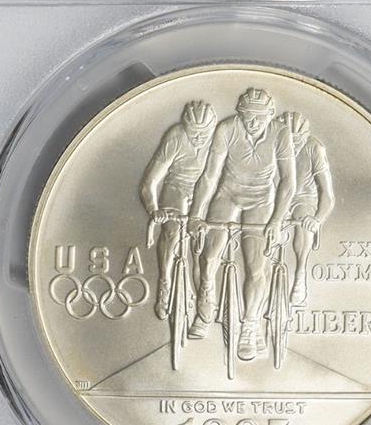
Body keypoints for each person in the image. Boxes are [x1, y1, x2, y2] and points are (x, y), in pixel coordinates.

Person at [188, 88, 296, 360]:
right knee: (208, 256)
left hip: (261, 200)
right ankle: (206, 297)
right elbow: (209, 176)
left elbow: (288, 182)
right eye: (248, 116)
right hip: (228, 195)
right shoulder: (226, 129)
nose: (253, 122)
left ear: (270, 116)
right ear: (239, 114)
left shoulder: (280, 133)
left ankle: (250, 324)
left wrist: (276, 221)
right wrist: (196, 215)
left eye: (259, 117)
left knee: (256, 266)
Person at [140, 101, 216, 319]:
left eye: (204, 133)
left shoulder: (220, 139)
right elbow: (149, 182)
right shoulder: (175, 137)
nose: (199, 138)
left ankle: (204, 291)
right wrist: (154, 210)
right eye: (193, 132)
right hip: (177, 187)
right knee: (172, 232)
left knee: (201, 246)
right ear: (185, 127)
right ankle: (165, 283)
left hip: (207, 190)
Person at [277, 111, 334, 306]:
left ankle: (300, 273)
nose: (292, 146)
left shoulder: (314, 148)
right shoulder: (271, 143)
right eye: (288, 141)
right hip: (277, 196)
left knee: (303, 221)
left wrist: (317, 219)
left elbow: (327, 194)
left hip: (304, 198)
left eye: (297, 141)